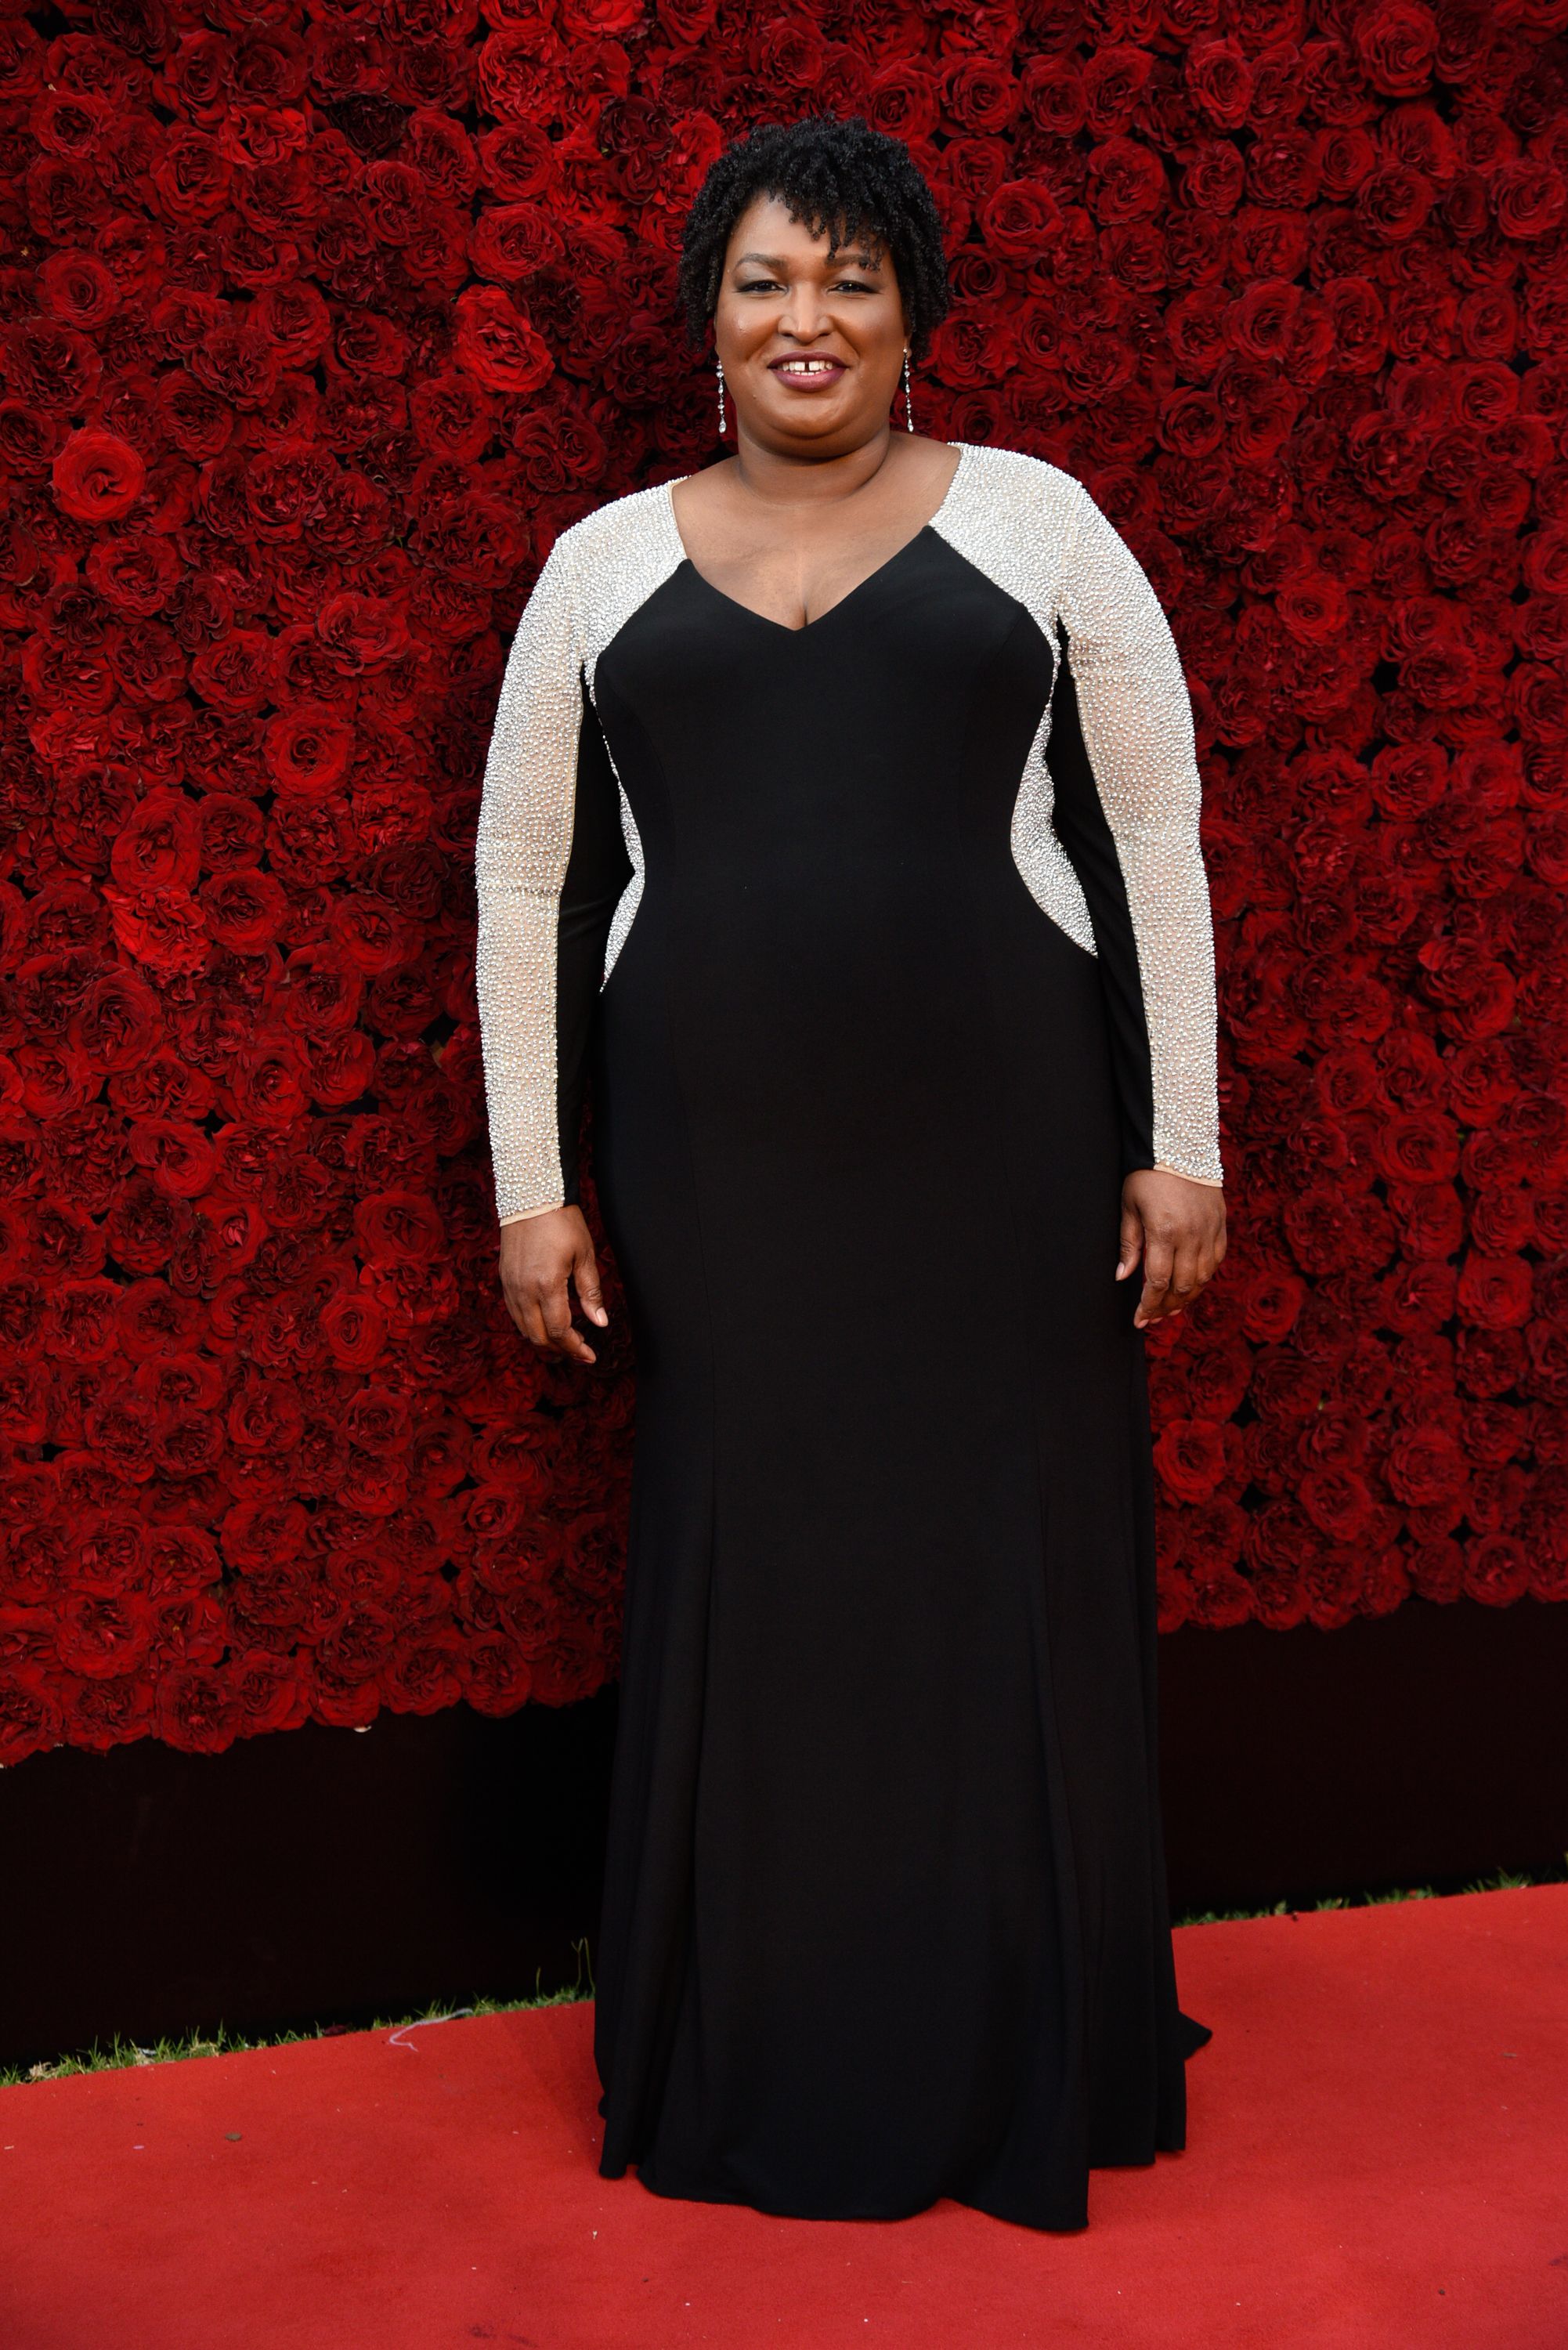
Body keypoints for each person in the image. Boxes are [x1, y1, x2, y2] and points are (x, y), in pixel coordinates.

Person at [474, 113, 1227, 2232]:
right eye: (764, 282)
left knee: (999, 1570)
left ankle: (1017, 2042)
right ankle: (757, 2049)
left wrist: (1179, 1142)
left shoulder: (1041, 524)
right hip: (716, 1178)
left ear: (913, 320)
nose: (805, 318)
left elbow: (1150, 836)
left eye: (850, 281)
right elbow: (526, 875)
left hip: (1006, 1164)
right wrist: (535, 1181)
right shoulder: (597, 567)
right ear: (707, 324)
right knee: (763, 1570)